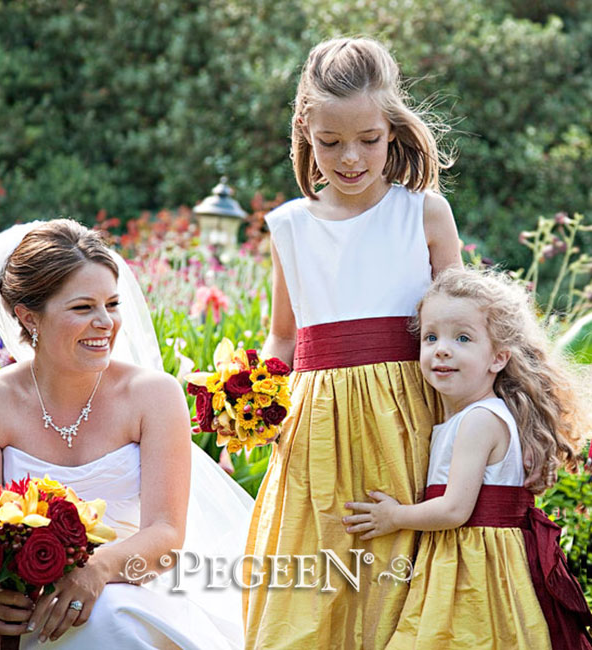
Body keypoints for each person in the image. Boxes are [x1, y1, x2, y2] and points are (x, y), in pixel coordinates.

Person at [0, 219, 253, 650]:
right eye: (82, 308)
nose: (105, 323)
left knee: (107, 623)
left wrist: (95, 573)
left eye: (112, 304)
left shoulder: (154, 395)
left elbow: (166, 534)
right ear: (28, 316)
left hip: (131, 585)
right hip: (20, 606)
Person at [243, 36, 462, 649]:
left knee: (398, 586)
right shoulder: (289, 225)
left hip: (408, 424)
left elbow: (465, 326)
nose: (350, 158)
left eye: (368, 139)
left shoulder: (423, 214)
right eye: (330, 142)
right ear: (304, 133)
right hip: (316, 434)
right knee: (310, 588)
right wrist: (248, 399)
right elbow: (285, 335)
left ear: (392, 128)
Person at [345, 267, 592, 649]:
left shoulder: (479, 421)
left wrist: (394, 517)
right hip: (466, 560)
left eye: (462, 338)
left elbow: (454, 510)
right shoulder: (469, 416)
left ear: (498, 358)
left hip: (473, 567)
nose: (442, 348)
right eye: (431, 337)